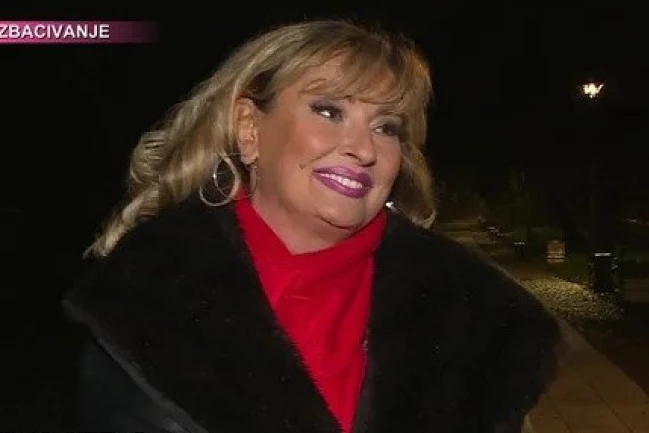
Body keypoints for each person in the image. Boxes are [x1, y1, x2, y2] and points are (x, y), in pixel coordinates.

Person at [63, 19, 560, 433]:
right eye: (329, 110)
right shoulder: (146, 297)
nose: (363, 149)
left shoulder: (472, 318)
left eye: (386, 127)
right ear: (248, 127)